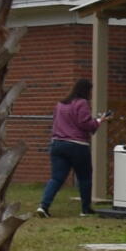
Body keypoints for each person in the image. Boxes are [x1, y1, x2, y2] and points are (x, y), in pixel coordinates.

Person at [38, 78, 99, 216]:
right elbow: (85, 124)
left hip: (57, 144)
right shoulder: (82, 103)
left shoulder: (60, 104)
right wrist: (98, 122)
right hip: (77, 145)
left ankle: (43, 206)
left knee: (56, 178)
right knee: (84, 177)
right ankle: (85, 209)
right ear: (86, 90)